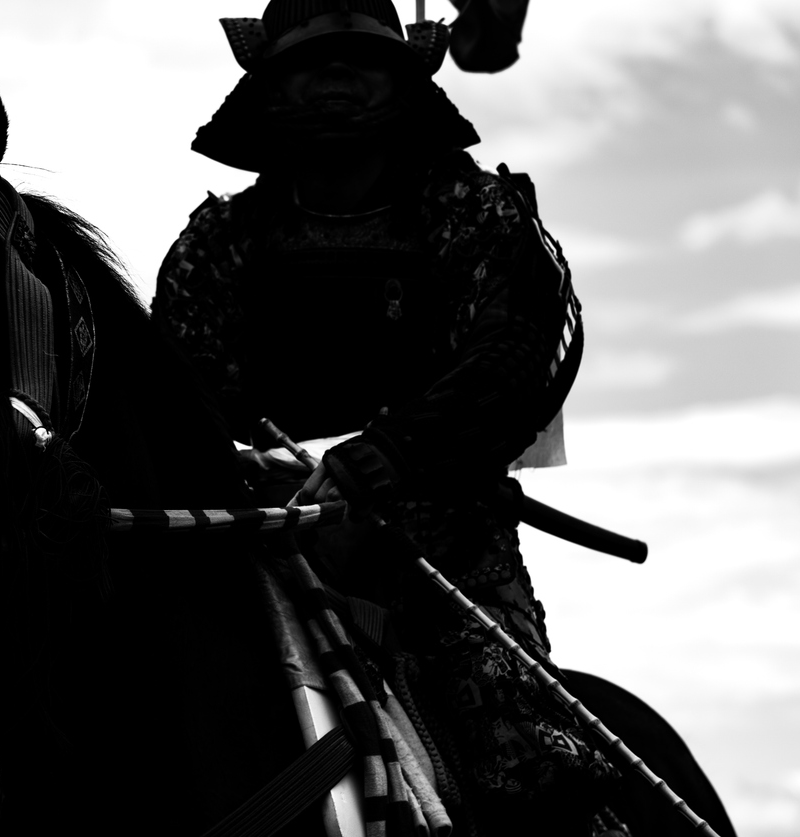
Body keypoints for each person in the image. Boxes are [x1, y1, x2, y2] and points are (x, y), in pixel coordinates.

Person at [152, 2, 622, 833]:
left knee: (534, 761)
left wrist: (386, 456)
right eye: (310, 62)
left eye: (361, 59)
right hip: (260, 543)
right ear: (270, 88)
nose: (336, 75)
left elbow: (517, 353)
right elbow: (176, 400)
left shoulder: (473, 212)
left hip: (442, 549)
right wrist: (266, 474)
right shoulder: (220, 241)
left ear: (405, 84)